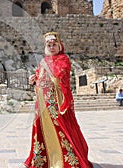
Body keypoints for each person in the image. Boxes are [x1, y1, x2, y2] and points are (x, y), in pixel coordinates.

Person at [24, 32, 93, 168]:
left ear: (60, 45)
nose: (51, 47)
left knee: (61, 128)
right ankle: (43, 160)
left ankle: (67, 161)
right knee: (42, 130)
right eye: (49, 45)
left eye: (54, 44)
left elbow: (60, 75)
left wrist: (49, 77)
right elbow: (39, 77)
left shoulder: (63, 59)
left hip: (56, 102)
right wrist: (34, 79)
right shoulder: (43, 62)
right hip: (43, 103)